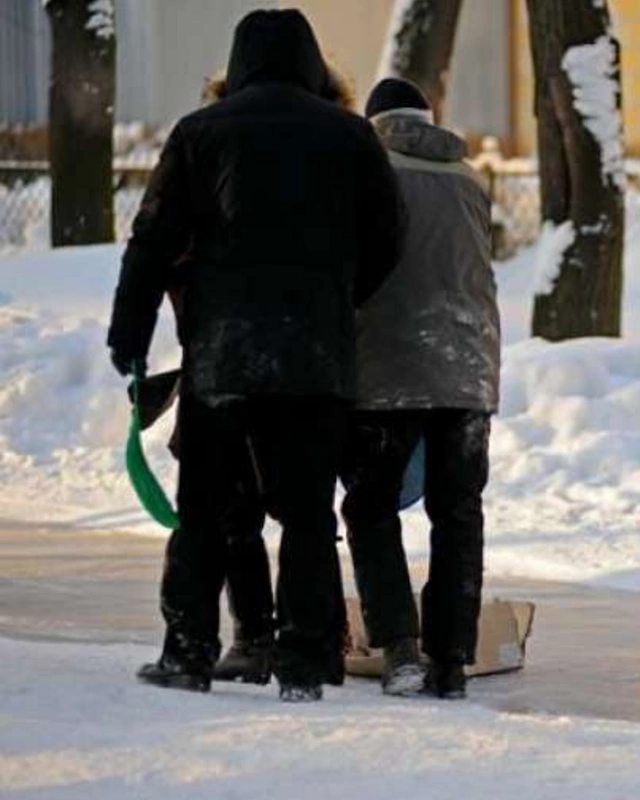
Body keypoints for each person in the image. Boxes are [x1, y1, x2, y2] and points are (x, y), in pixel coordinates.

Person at [107, 9, 400, 702]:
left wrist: (129, 335)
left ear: (237, 64)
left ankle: (188, 652)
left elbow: (151, 243)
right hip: (315, 358)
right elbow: (387, 240)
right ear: (312, 64)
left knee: (204, 509)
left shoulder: (200, 133)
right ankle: (303, 664)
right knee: (305, 516)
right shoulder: (351, 135)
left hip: (223, 355)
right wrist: (334, 296)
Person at [339, 78, 499, 700]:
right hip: (469, 368)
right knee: (458, 514)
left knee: (370, 507)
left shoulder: (365, 170)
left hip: (388, 366)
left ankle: (401, 649)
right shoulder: (470, 178)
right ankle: (452, 662)